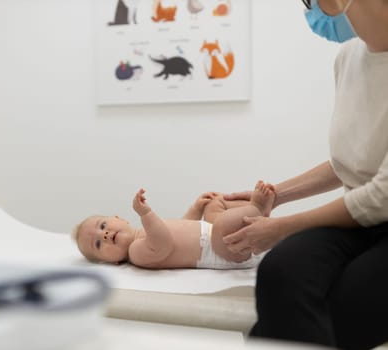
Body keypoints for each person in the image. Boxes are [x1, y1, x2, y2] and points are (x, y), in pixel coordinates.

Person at [220, 1, 388, 349]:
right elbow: (353, 162)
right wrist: (276, 196)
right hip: (364, 222)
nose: (314, 10)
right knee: (281, 270)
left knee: (344, 303)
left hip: (376, 211)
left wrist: (280, 228)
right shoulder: (348, 59)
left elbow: (381, 195)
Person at [72, 181, 274, 269]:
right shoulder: (136, 254)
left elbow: (183, 226)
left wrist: (196, 208)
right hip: (225, 251)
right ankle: (257, 207)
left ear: (119, 218)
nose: (104, 235)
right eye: (98, 244)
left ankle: (256, 215)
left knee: (214, 205)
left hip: (213, 233)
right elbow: (163, 243)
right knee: (222, 223)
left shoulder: (144, 232)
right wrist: (146, 214)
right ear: (112, 262)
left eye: (103, 225)